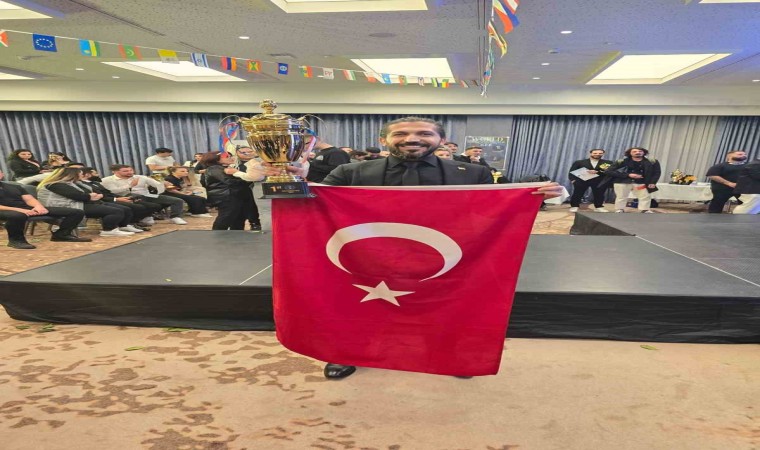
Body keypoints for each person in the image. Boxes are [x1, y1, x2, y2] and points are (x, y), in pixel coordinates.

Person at [264, 116, 563, 380]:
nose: (412, 139)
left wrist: (544, 194)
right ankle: (344, 352)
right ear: (384, 140)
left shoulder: (471, 173)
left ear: (441, 140)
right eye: (401, 134)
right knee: (353, 304)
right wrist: (294, 181)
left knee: (452, 306)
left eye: (424, 133)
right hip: (365, 256)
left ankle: (455, 356)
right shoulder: (350, 171)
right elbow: (317, 203)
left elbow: (497, 206)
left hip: (444, 256)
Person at [0, 169, 91, 249]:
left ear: (2, 174)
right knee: (17, 216)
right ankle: (16, 240)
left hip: (25, 208)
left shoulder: (14, 187)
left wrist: (39, 206)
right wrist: (21, 210)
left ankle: (61, 234)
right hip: (4, 210)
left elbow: (29, 199)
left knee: (76, 212)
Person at [37, 168, 138, 237]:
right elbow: (78, 196)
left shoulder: (70, 183)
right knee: (115, 211)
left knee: (123, 208)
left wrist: (91, 196)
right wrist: (90, 196)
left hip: (79, 203)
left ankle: (121, 226)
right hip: (67, 206)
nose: (82, 176)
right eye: (80, 174)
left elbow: (84, 194)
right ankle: (108, 230)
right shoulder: (56, 184)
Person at [100, 164, 188, 225]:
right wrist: (130, 186)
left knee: (177, 200)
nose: (130, 172)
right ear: (115, 172)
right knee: (145, 202)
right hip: (127, 196)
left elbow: (157, 184)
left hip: (147, 195)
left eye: (131, 170)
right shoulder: (107, 180)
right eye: (125, 171)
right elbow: (112, 191)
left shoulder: (141, 177)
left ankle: (175, 217)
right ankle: (145, 216)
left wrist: (162, 184)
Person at [201, 151, 258, 230]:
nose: (231, 158)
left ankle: (235, 234)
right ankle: (217, 234)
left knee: (239, 217)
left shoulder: (223, 168)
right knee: (226, 217)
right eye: (227, 157)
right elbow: (229, 181)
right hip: (226, 197)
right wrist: (249, 179)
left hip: (234, 195)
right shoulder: (214, 169)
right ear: (217, 159)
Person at [601, 147, 661, 213]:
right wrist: (628, 175)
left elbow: (657, 172)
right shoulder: (621, 161)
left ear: (644, 152)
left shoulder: (652, 161)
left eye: (640, 151)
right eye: (634, 151)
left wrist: (653, 182)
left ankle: (645, 209)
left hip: (642, 182)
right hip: (622, 182)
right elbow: (608, 171)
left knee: (645, 196)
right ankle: (619, 209)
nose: (638, 152)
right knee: (621, 196)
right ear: (630, 153)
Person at [568, 148, 612, 213]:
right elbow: (572, 172)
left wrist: (598, 172)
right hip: (582, 180)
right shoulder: (579, 162)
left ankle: (599, 207)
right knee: (577, 193)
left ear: (603, 154)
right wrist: (573, 180)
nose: (597, 154)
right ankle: (574, 206)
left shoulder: (608, 162)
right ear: (590, 153)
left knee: (599, 194)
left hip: (599, 181)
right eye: (595, 153)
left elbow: (610, 172)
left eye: (600, 153)